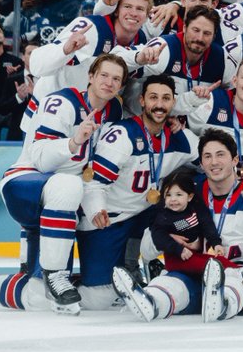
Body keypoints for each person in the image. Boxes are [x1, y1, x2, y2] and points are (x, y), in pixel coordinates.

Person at [0, 54, 128, 315]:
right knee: (68, 185)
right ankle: (56, 275)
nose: (109, 82)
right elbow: (41, 158)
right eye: (104, 75)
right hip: (27, 181)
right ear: (91, 76)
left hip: (61, 201)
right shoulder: (63, 102)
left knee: (40, 298)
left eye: (116, 79)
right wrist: (74, 141)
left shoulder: (113, 111)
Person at [111, 130, 243, 322]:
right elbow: (146, 251)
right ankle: (151, 301)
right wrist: (166, 239)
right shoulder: (183, 194)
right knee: (169, 285)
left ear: (235, 160)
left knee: (233, 288)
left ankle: (222, 303)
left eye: (220, 155)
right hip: (191, 268)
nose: (214, 162)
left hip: (238, 272)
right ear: (201, 163)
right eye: (207, 156)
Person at [79, 75, 200, 291]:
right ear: (142, 100)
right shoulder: (123, 134)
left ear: (173, 102)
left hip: (145, 213)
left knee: (199, 188)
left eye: (166, 98)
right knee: (100, 297)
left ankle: (167, 265)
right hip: (111, 218)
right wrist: (96, 209)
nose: (159, 104)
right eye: (153, 97)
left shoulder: (180, 137)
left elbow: (213, 164)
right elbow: (95, 183)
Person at [26, 0, 151, 127]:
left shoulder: (141, 42)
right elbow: (36, 65)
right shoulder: (92, 28)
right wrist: (64, 50)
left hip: (87, 123)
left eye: (140, 9)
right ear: (116, 10)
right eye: (127, 6)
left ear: (147, 15)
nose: (133, 13)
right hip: (47, 115)